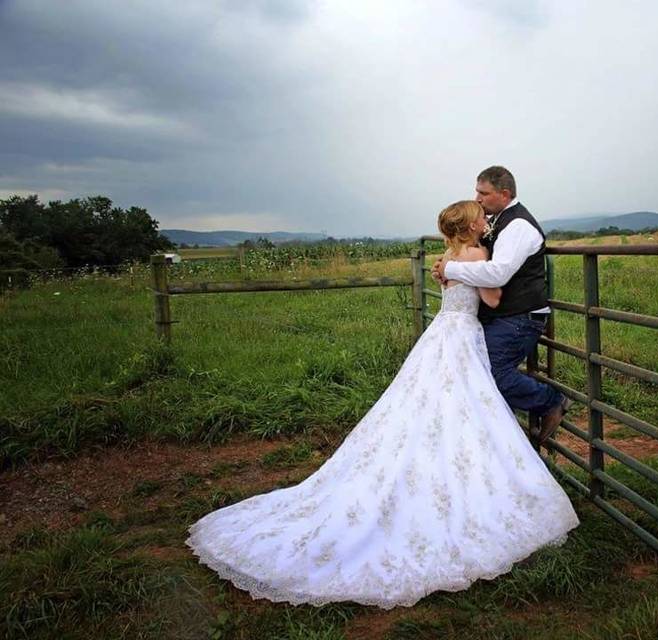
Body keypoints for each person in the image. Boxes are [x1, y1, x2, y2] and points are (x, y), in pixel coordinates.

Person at [186, 200, 579, 609]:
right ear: (470, 227)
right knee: (464, 403)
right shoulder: (478, 253)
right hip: (463, 335)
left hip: (441, 332)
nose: (486, 220)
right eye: (480, 217)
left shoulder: (447, 255)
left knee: (428, 402)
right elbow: (494, 299)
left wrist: (456, 271)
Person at [434, 166, 571, 447]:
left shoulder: (518, 225)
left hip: (521, 317)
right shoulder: (496, 221)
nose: (478, 198)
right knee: (469, 370)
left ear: (505, 193)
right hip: (500, 315)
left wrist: (452, 269)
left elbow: (497, 274)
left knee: (489, 373)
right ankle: (486, 441)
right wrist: (447, 269)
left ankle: (551, 402)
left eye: (483, 193)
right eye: (477, 192)